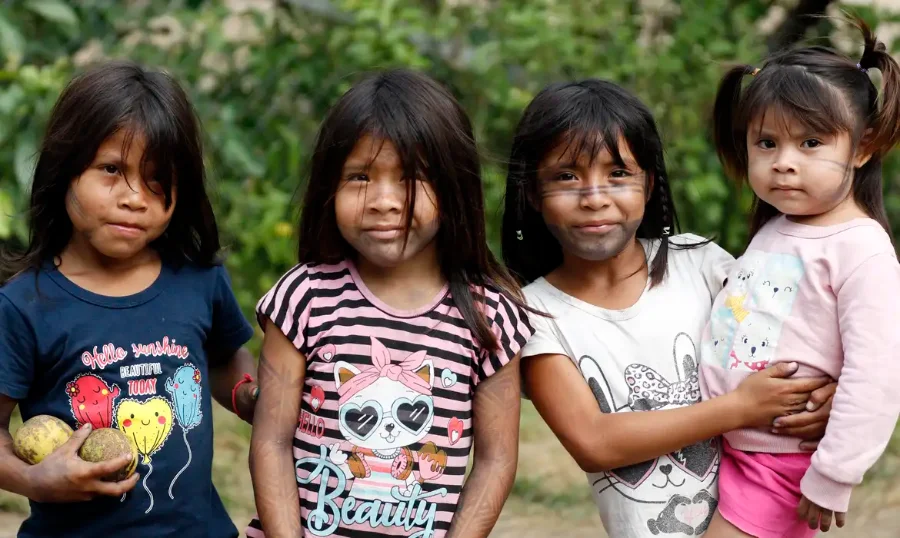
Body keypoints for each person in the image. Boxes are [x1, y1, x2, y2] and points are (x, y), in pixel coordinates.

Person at [502, 78, 837, 538]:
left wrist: (827, 395)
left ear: (649, 182)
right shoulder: (534, 314)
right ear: (532, 193)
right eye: (566, 176)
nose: (595, 196)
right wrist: (739, 408)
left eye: (618, 173)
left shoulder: (700, 263)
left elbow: (793, 340)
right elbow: (594, 442)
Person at [246, 69, 533, 538]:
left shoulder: (490, 316)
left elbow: (497, 460)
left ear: (454, 187)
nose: (383, 201)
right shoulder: (304, 299)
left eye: (411, 178)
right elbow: (271, 442)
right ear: (329, 187)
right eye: (360, 176)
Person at [0, 61, 258, 537]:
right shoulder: (24, 306)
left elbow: (223, 358)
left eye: (158, 177)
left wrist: (250, 396)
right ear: (65, 171)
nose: (135, 197)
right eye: (112, 170)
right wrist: (35, 479)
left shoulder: (198, 278)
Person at [700, 18, 900, 537]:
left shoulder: (861, 249)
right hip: (727, 445)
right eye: (766, 143)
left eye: (811, 143)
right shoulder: (777, 229)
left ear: (862, 146)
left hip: (784, 464)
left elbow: (876, 374)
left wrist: (834, 473)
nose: (783, 163)